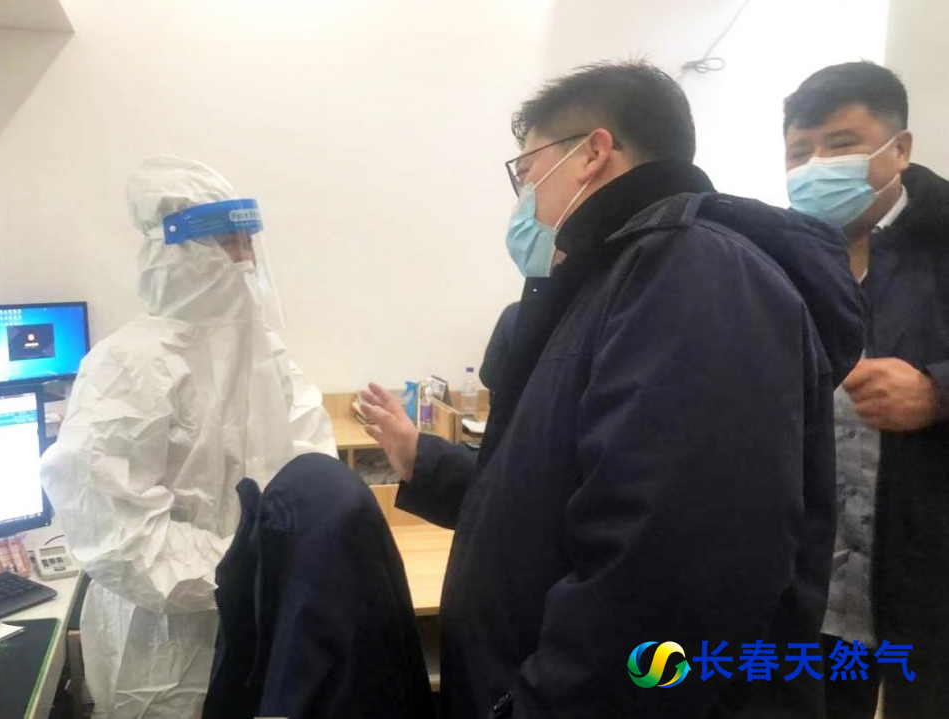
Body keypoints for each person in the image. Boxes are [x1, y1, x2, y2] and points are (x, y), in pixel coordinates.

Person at [361, 62, 864, 718]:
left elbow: (665, 579)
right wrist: (423, 460)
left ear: (592, 153)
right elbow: (549, 499)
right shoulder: (611, 284)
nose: (522, 198)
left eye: (526, 170)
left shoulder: (694, 273)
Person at [40, 155, 336, 719]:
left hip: (265, 624)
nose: (245, 259)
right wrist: (251, 566)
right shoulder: (127, 368)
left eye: (247, 241)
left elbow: (312, 473)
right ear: (175, 252)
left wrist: (276, 563)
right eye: (226, 243)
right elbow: (121, 539)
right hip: (161, 651)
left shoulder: (267, 357)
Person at [783, 62, 949, 719]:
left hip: (926, 586)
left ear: (899, 149)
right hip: (810, 588)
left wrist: (937, 393)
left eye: (841, 144)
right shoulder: (775, 261)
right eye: (800, 151)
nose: (816, 165)